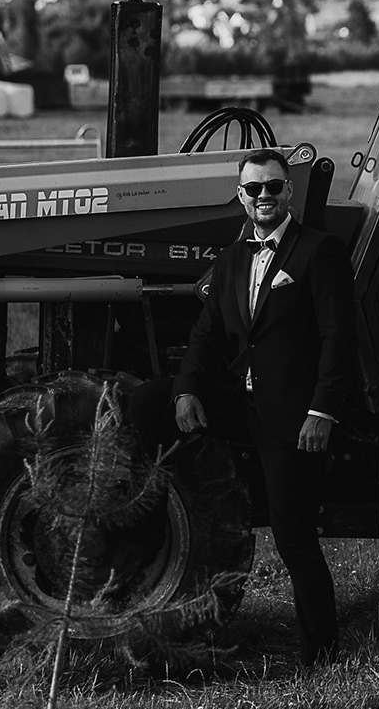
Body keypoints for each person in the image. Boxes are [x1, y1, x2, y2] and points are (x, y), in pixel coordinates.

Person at [144, 148, 359, 666]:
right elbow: (207, 334)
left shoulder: (318, 251)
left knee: (293, 537)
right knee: (147, 398)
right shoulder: (233, 258)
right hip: (241, 402)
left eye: (273, 187)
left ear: (289, 191)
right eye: (254, 188)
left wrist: (322, 412)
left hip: (290, 415)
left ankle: (322, 654)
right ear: (241, 196)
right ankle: (143, 506)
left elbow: (339, 336)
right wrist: (186, 391)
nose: (265, 196)